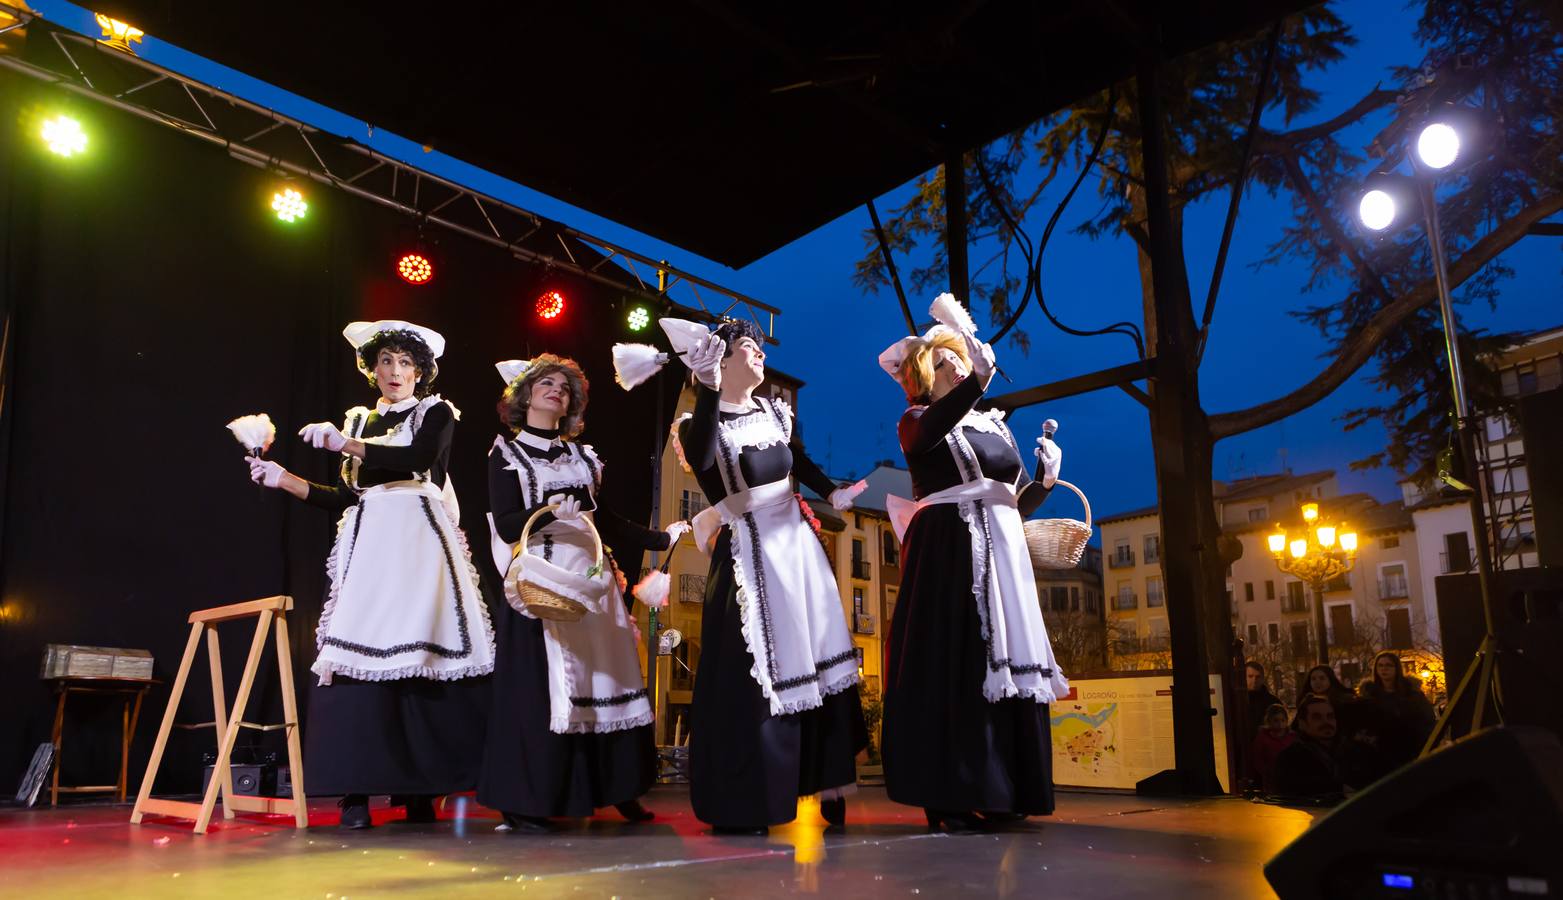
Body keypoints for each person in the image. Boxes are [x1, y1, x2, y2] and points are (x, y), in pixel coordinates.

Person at [244, 320, 494, 829]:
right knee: (356, 655)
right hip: (369, 543)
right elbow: (345, 497)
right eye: (386, 361)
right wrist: (285, 479)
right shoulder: (357, 421)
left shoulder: (436, 412)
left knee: (422, 656)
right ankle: (355, 792)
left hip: (420, 540)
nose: (395, 371)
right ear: (372, 369)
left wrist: (344, 446)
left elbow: (421, 458)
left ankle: (421, 790)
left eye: (405, 362)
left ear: (421, 371)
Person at [663, 318, 867, 835]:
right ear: (720, 361)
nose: (758, 355)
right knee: (751, 673)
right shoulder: (696, 423)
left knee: (819, 660)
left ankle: (825, 782)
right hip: (746, 555)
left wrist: (832, 491)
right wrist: (708, 391)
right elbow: (707, 464)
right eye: (747, 348)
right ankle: (747, 797)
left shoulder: (777, 413)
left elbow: (798, 460)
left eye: (759, 347)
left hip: (796, 547)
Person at [477, 355, 689, 832]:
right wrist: (552, 510)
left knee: (610, 680)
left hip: (593, 581)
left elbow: (607, 520)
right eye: (547, 384)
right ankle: (528, 799)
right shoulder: (506, 454)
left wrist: (661, 539)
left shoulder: (584, 457)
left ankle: (619, 789)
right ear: (525, 396)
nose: (557, 391)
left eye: (565, 387)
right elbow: (508, 522)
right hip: (539, 582)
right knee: (545, 689)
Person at [876, 320, 1069, 833]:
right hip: (949, 550)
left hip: (1003, 550)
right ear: (923, 378)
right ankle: (951, 791)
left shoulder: (994, 425)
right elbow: (926, 435)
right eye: (942, 362)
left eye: (957, 358)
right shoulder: (917, 421)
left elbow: (1014, 500)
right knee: (958, 661)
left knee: (1006, 662)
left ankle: (1009, 788)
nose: (956, 364)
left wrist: (1045, 482)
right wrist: (975, 386)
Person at [1357, 650, 1436, 767]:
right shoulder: (1369, 696)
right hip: (1381, 754)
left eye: (1389, 665)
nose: (1384, 669)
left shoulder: (1412, 694)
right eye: (1380, 665)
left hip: (1411, 750)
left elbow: (1427, 719)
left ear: (1396, 668)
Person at [1272, 694, 1346, 802]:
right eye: (1317, 717)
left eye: (1330, 716)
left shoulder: (1352, 752)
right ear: (1303, 724)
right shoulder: (1290, 759)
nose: (1326, 722)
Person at [1247, 703, 1296, 794]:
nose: (1280, 724)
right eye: (1276, 720)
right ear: (1269, 721)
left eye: (1283, 720)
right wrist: (1267, 772)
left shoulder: (1292, 737)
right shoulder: (1262, 738)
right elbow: (1258, 758)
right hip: (1270, 778)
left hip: (1291, 776)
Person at [1245, 661, 1282, 745]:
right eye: (1250, 676)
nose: (1254, 680)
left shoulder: (1273, 702)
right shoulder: (1236, 702)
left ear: (1262, 678)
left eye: (1258, 677)